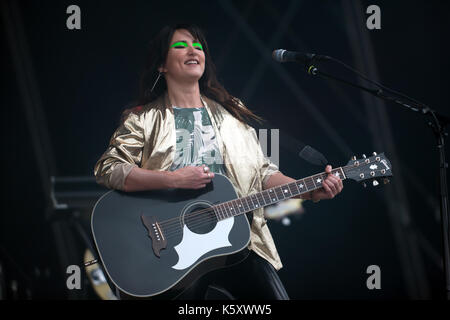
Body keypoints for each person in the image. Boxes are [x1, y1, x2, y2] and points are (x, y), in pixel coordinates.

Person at [94, 23, 343, 300]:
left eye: (198, 46)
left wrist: (309, 190)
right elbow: (109, 168)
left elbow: (262, 173)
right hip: (171, 254)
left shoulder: (232, 115)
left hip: (236, 243)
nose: (192, 50)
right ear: (162, 65)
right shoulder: (143, 120)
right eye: (180, 46)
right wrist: (174, 179)